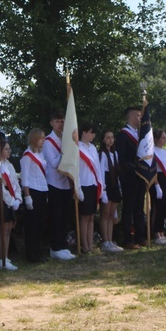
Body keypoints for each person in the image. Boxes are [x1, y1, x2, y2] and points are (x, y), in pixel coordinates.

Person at [44, 111, 76, 259]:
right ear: (51, 123)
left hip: (66, 183)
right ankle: (55, 247)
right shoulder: (48, 141)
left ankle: (63, 245)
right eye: (57, 121)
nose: (60, 124)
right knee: (56, 217)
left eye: (62, 121)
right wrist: (65, 150)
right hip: (54, 182)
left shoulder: (66, 138)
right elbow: (53, 163)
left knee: (65, 216)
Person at [115, 106, 146, 249]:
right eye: (138, 116)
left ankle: (140, 236)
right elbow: (121, 158)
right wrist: (133, 169)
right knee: (129, 208)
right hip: (129, 177)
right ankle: (128, 239)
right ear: (132, 117)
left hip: (140, 176)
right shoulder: (123, 134)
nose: (140, 118)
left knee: (139, 208)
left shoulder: (141, 134)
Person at [20, 128, 49, 262]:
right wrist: (27, 196)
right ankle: (31, 254)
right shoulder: (27, 155)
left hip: (42, 190)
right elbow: (24, 177)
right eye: (41, 138)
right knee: (32, 224)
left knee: (39, 224)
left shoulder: (41, 154)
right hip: (32, 191)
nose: (43, 141)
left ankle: (37, 251)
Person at [77, 123, 106, 254]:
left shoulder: (93, 148)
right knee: (84, 216)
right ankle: (84, 245)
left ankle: (90, 244)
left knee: (91, 216)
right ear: (83, 133)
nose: (93, 135)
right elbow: (75, 169)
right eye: (91, 132)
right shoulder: (77, 147)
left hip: (93, 184)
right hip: (83, 184)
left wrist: (101, 186)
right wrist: (77, 188)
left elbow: (98, 168)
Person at [0, 139, 21, 270]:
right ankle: (1, 258)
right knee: (3, 229)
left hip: (12, 199)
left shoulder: (9, 164)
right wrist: (10, 200)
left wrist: (18, 199)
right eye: (6, 149)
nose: (9, 151)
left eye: (9, 149)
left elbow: (15, 182)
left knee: (9, 229)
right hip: (2, 200)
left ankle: (6, 256)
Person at [98, 130, 124, 252]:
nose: (110, 140)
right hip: (106, 183)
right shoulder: (102, 154)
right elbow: (102, 172)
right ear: (103, 140)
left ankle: (110, 239)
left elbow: (117, 172)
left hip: (114, 184)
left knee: (111, 214)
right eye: (107, 137)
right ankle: (105, 241)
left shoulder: (115, 154)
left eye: (112, 137)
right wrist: (103, 190)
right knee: (105, 213)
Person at [152, 130, 166, 244]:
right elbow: (153, 170)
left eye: (165, 137)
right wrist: (156, 185)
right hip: (158, 180)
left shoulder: (164, 151)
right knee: (158, 207)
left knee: (164, 207)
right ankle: (156, 233)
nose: (165, 140)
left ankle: (162, 231)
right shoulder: (153, 152)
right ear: (156, 139)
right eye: (162, 138)